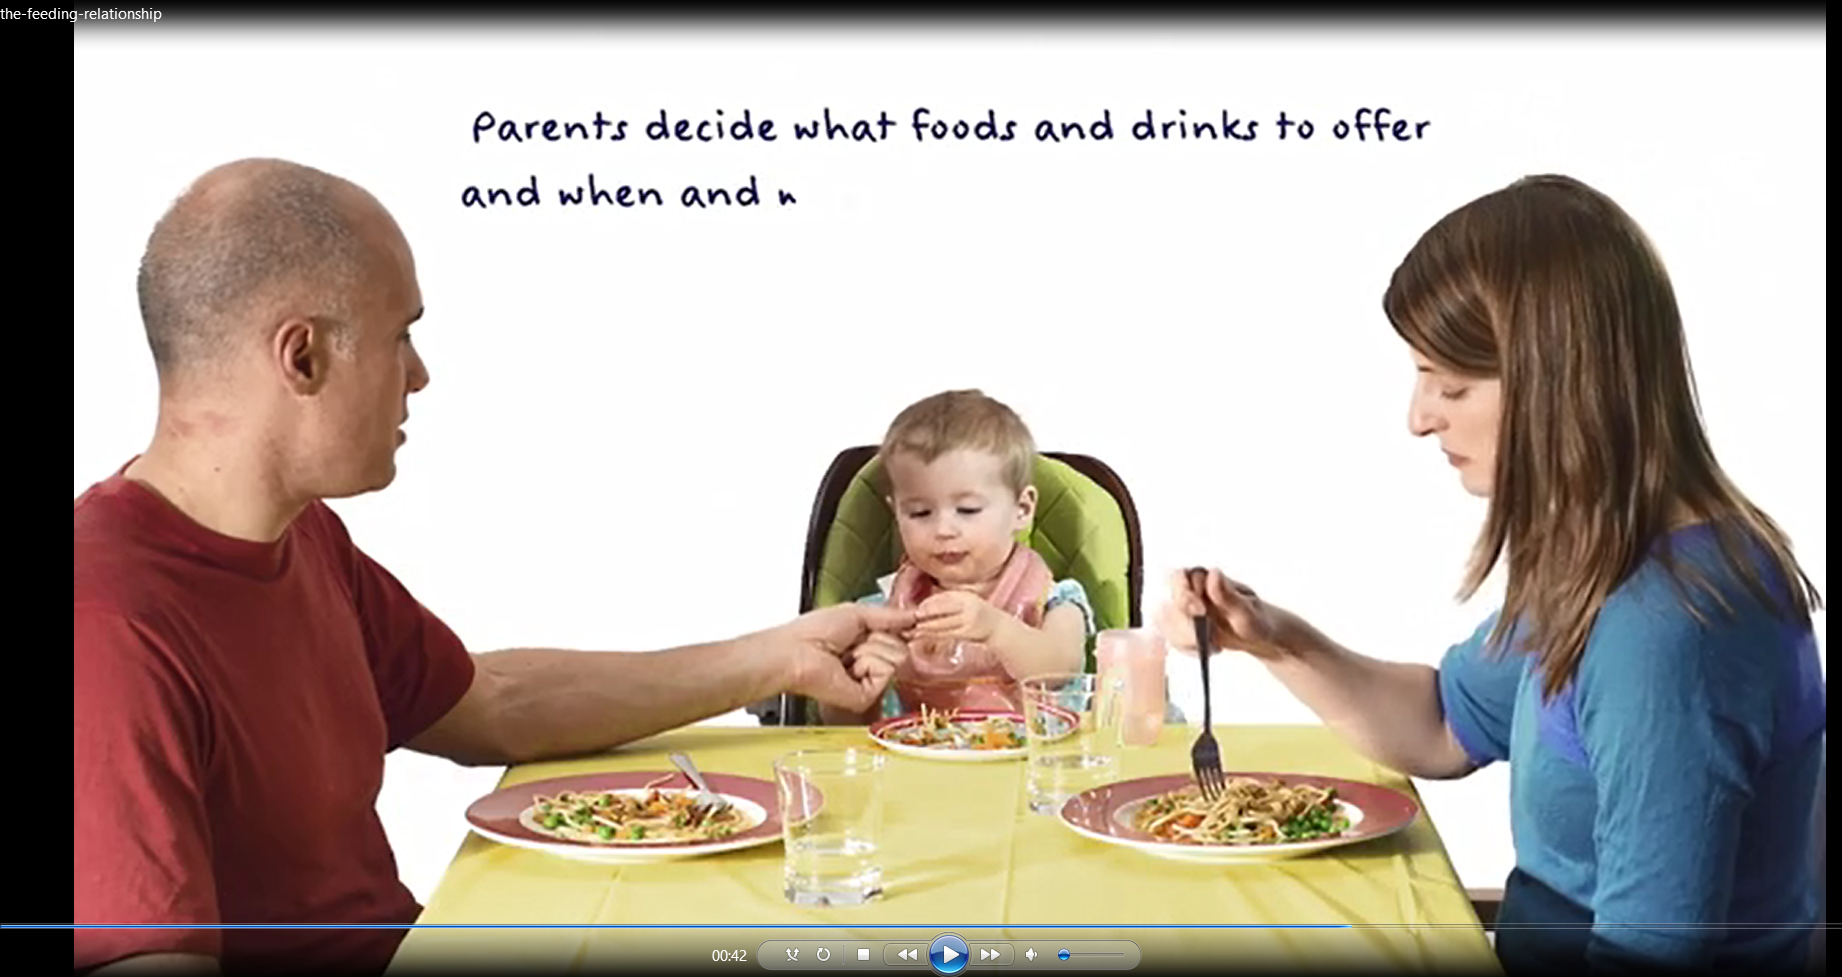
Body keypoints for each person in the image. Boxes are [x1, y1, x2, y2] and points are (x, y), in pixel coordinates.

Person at [73, 158, 916, 977]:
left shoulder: (303, 539)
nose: (419, 374)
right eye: (400, 334)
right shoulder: (107, 623)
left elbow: (489, 704)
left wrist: (783, 655)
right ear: (302, 357)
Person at [1158, 174, 1824, 975]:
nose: (1419, 417)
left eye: (1451, 384)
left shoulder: (1667, 633)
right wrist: (1275, 639)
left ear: (1561, 380)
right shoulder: (1607, 557)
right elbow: (1444, 723)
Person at [819, 389, 1096, 724]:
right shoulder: (884, 611)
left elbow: (1060, 668)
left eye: (967, 509)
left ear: (1022, 509)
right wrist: (849, 684)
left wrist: (995, 629)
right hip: (912, 770)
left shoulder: (1053, 601)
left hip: (1025, 770)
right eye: (920, 513)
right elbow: (840, 730)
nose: (943, 529)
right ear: (896, 513)